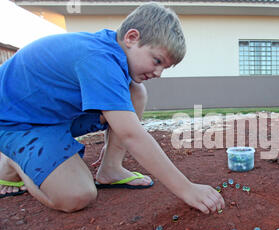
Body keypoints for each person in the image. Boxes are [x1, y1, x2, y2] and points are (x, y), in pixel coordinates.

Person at [0, 2, 225, 213]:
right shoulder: (99, 60)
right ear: (132, 37)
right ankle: (13, 160)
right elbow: (131, 134)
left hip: (50, 113)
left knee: (135, 90)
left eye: (164, 68)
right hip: (16, 123)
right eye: (157, 61)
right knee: (77, 195)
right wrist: (187, 189)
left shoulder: (112, 50)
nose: (158, 73)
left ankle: (111, 169)